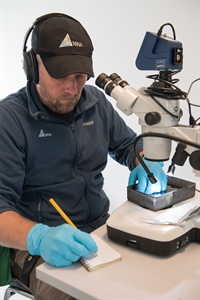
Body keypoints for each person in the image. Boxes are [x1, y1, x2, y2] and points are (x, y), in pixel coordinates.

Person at [0, 13, 167, 300]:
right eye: (60, 77)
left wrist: (144, 158)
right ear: (33, 65)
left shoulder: (96, 102)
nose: (72, 89)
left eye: (79, 77)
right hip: (39, 250)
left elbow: (128, 146)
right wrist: (39, 237)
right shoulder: (9, 120)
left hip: (101, 233)